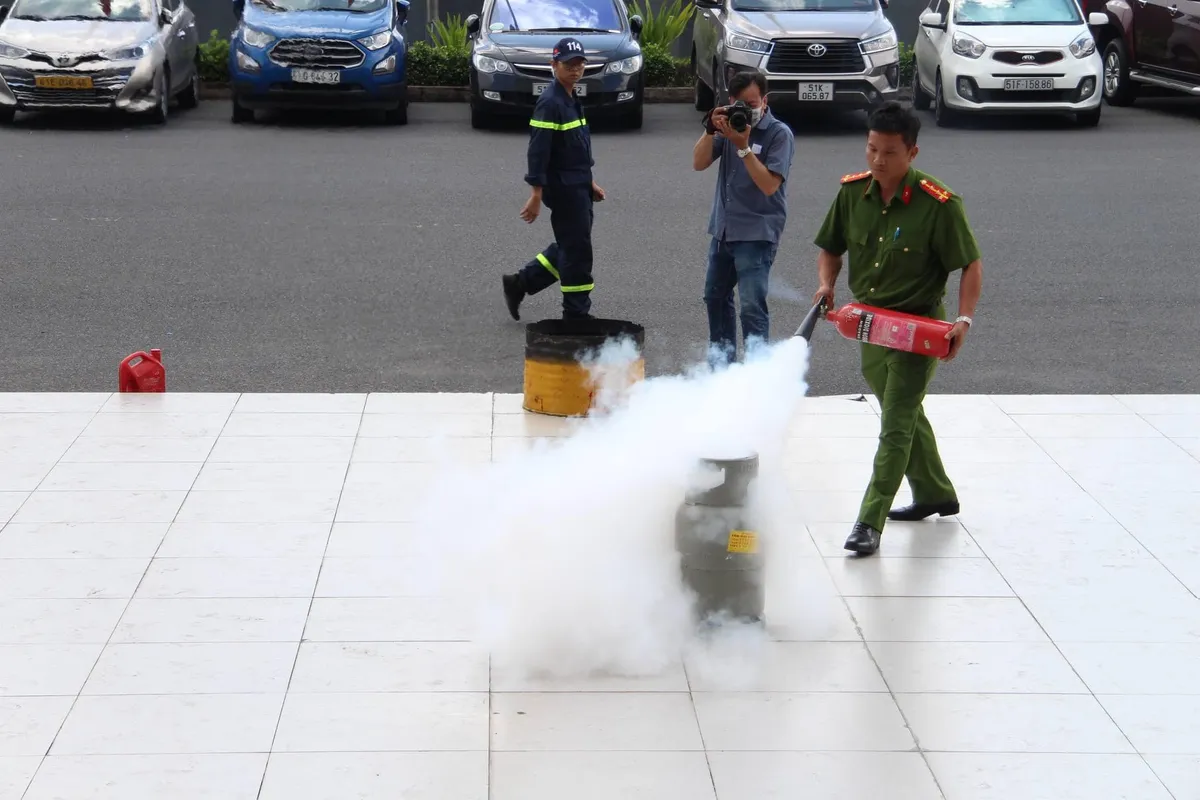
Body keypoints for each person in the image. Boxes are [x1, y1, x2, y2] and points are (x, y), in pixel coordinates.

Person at [811, 101, 983, 557]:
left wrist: (963, 319)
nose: (877, 161)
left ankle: (870, 520)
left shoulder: (938, 203)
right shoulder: (852, 194)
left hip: (917, 330)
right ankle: (934, 493)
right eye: (871, 149)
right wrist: (826, 284)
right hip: (869, 326)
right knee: (900, 410)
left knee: (895, 422)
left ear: (912, 152)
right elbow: (830, 247)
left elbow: (970, 264)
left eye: (889, 153)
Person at [692, 69, 795, 366]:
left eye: (752, 104)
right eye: (741, 104)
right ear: (731, 101)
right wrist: (711, 129)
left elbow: (769, 185)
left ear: (765, 100)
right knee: (714, 297)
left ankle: (756, 376)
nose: (747, 112)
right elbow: (698, 163)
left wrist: (744, 148)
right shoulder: (728, 127)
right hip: (723, 229)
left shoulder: (779, 134)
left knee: (751, 307)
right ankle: (722, 369)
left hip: (757, 233)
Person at [502, 37, 605, 321]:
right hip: (563, 189)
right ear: (554, 65)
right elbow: (538, 152)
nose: (576, 69)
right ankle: (576, 314)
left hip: (577, 185)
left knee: (571, 243)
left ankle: (520, 283)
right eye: (569, 64)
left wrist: (589, 181)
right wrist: (536, 194)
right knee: (578, 250)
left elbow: (576, 149)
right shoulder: (550, 103)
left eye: (580, 64)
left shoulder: (571, 98)